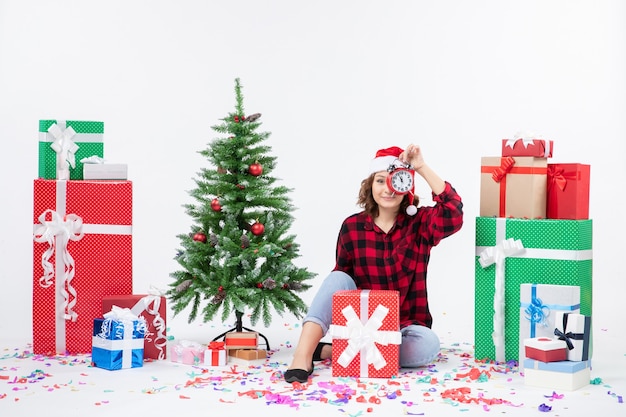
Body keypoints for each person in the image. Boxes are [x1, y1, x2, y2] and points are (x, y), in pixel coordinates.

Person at [284, 144, 464, 384]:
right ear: (370, 185)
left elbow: (453, 212)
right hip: (361, 325)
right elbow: (340, 287)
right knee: (338, 277)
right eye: (380, 181)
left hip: (404, 329)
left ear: (406, 187)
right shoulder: (352, 227)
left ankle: (332, 352)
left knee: (427, 346)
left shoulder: (420, 223)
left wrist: (420, 167)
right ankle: (303, 354)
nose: (388, 189)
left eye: (396, 182)